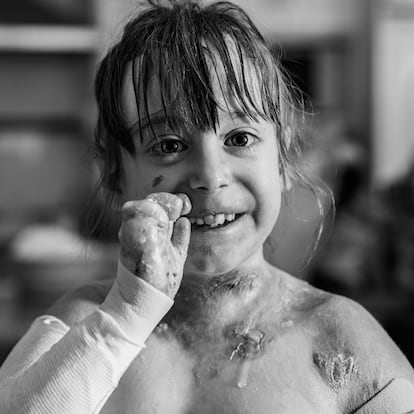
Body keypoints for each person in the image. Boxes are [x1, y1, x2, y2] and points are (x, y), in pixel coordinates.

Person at [1, 0, 414, 412]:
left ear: (284, 157)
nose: (211, 175)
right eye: (169, 145)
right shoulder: (88, 326)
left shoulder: (338, 339)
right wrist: (126, 317)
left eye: (239, 139)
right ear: (113, 173)